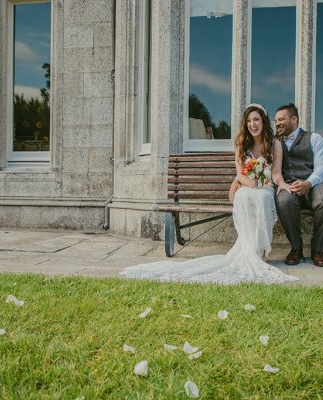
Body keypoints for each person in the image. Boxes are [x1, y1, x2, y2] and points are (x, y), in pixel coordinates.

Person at [121, 104, 299, 285]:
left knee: (262, 197)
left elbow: (276, 173)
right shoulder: (241, 143)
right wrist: (248, 183)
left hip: (265, 187)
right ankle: (249, 249)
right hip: (247, 185)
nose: (253, 124)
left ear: (263, 122)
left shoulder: (275, 143)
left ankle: (261, 251)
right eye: (249, 121)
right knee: (244, 196)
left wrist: (282, 184)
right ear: (245, 124)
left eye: (256, 120)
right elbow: (240, 174)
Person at [271, 103, 323, 267]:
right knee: (283, 201)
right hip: (288, 186)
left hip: (313, 184)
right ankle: (296, 248)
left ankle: (317, 249)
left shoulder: (314, 138)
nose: (277, 123)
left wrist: (308, 183)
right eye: (275, 120)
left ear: (294, 119)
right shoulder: (272, 142)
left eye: (281, 119)